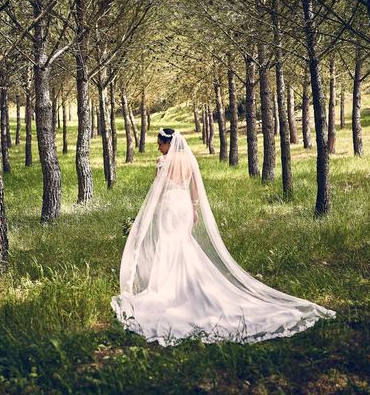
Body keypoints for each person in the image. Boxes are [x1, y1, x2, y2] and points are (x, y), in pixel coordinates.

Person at [111, 128, 335, 346]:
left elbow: (158, 193)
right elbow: (195, 188)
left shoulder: (163, 163)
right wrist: (194, 208)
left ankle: (169, 289)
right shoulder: (189, 160)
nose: (158, 147)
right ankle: (187, 285)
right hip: (185, 208)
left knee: (168, 244)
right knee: (183, 243)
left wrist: (147, 214)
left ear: (168, 143)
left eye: (160, 143)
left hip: (170, 207)